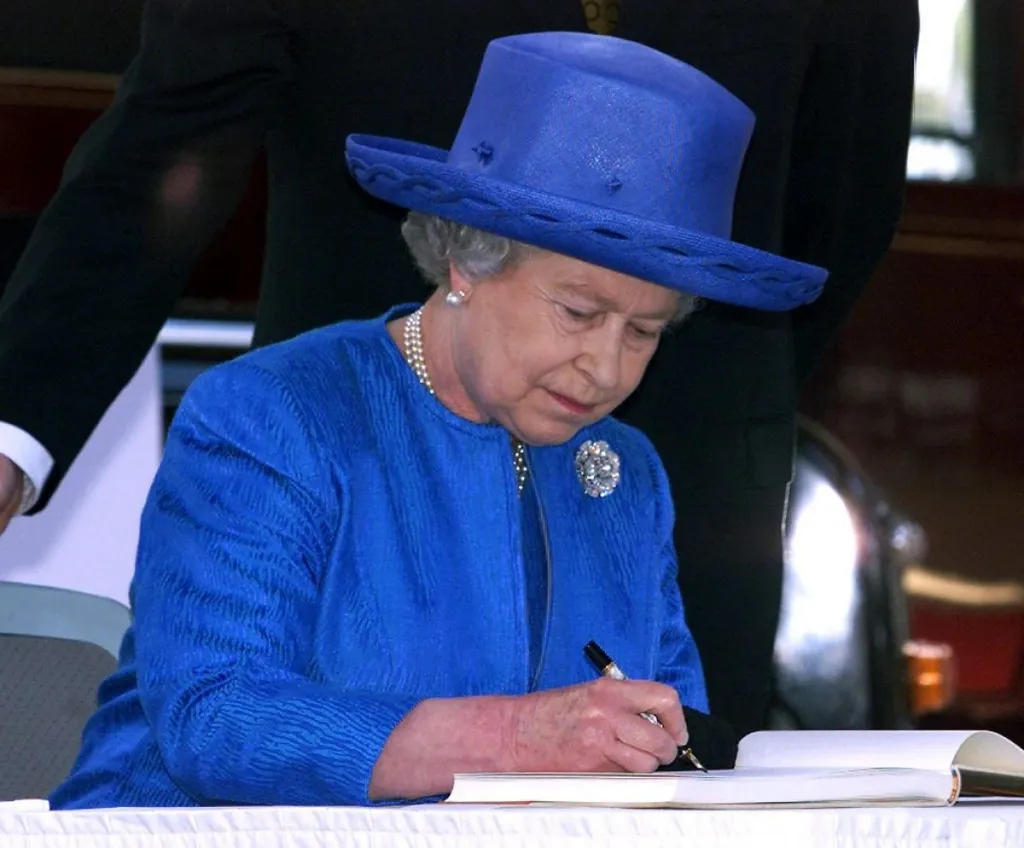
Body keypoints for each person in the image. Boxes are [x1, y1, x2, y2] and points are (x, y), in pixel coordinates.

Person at [0, 0, 919, 737]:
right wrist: (15, 423)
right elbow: (166, 145)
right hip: (345, 453)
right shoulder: (273, 426)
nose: (601, 361)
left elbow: (845, 195)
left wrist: (654, 352)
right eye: (582, 316)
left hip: (694, 461)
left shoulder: (642, 477)